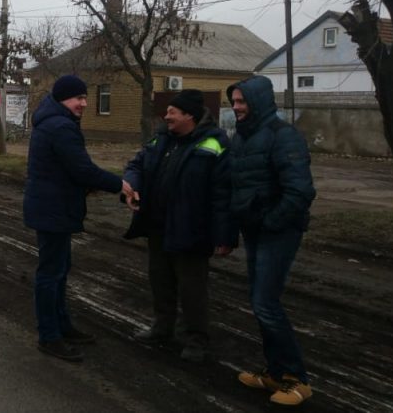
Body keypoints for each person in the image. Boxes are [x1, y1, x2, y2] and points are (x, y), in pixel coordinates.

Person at [23, 74, 133, 362]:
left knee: (59, 270)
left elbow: (68, 170)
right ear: (63, 99)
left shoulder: (54, 121)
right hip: (53, 210)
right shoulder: (60, 127)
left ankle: (62, 326)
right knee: (51, 274)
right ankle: (50, 336)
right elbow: (82, 169)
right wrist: (120, 184)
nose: (84, 103)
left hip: (52, 208)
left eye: (85, 98)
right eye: (78, 98)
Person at [122, 89, 235, 363]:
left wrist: (225, 234)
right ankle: (162, 328)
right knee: (160, 280)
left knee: (191, 287)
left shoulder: (215, 143)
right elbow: (136, 164)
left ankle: (196, 339)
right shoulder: (161, 138)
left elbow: (224, 193)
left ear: (190, 116)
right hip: (158, 226)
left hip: (192, 229)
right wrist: (132, 185)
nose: (167, 116)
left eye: (173, 112)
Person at [228, 75, 316, 406]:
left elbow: (300, 191)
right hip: (255, 230)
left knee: (266, 303)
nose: (236, 107)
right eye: (234, 102)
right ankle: (275, 373)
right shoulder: (241, 139)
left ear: (259, 102)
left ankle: (297, 380)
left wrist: (271, 221)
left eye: (241, 101)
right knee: (259, 301)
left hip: (278, 232)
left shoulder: (284, 137)